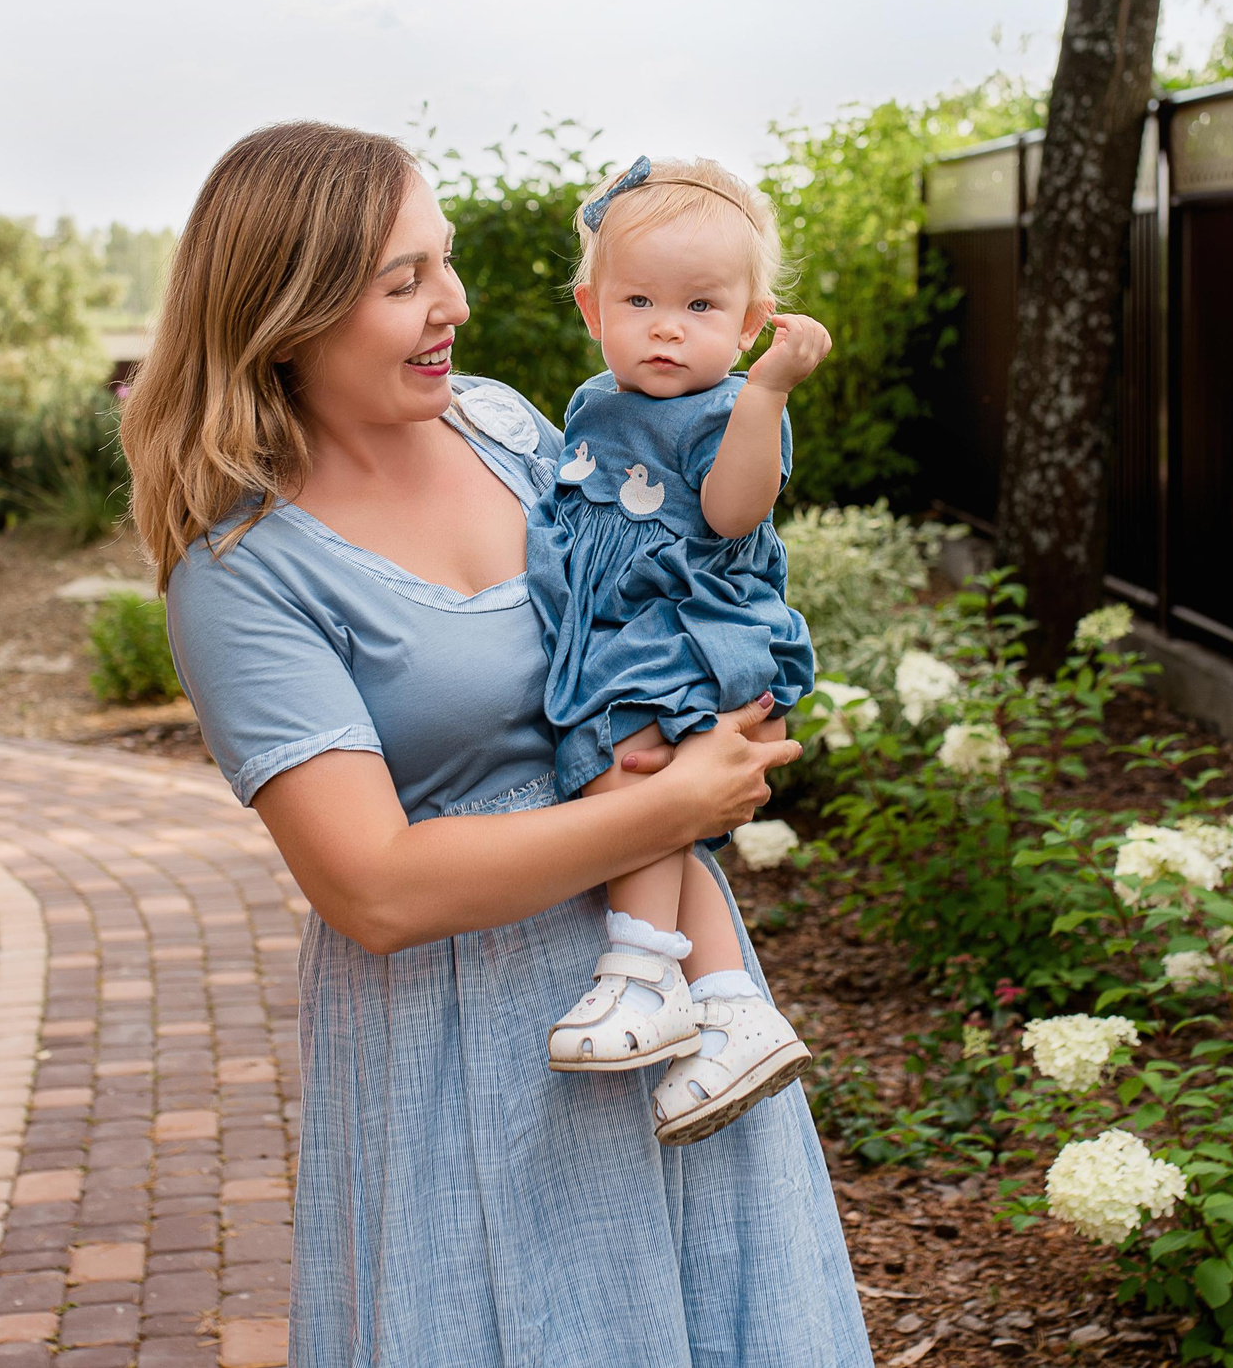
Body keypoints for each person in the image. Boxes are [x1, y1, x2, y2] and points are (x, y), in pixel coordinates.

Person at [125, 122, 872, 1367]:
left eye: (447, 261)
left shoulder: (514, 430)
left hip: (680, 1001)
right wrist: (673, 802)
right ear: (287, 312)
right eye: (402, 280)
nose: (452, 305)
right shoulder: (243, 572)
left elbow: (687, 577)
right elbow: (371, 887)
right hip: (465, 1036)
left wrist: (732, 690)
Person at [526, 155, 830, 1147]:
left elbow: (733, 509)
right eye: (640, 299)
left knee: (635, 772)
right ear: (590, 308)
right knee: (619, 777)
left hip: (698, 620)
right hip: (620, 632)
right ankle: (729, 1002)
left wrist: (769, 391)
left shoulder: (730, 408)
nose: (667, 324)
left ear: (749, 323)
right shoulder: (588, 401)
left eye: (701, 304)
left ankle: (644, 967)